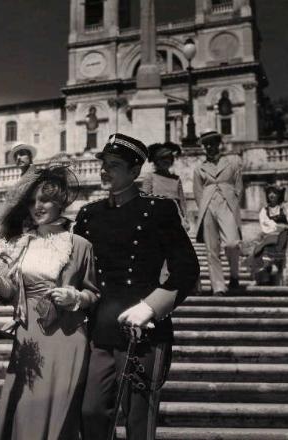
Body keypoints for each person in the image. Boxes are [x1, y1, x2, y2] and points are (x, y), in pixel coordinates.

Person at [77, 133, 200, 440]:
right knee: (90, 412)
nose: (105, 171)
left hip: (144, 332)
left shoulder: (159, 210)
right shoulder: (88, 214)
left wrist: (150, 307)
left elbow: (187, 270)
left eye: (114, 165)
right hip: (101, 328)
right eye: (104, 164)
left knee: (138, 419)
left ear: (134, 172)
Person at [0, 166, 99, 440]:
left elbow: (93, 294)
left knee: (60, 410)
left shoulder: (79, 244)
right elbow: (13, 293)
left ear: (60, 201)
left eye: (45, 200)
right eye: (32, 201)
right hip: (28, 335)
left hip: (67, 335)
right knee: (25, 409)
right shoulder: (22, 244)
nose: (38, 206)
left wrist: (75, 297)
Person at [193, 130, 243, 295]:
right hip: (208, 206)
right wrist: (203, 208)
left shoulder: (232, 162)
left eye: (212, 143)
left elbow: (238, 186)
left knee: (232, 243)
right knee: (211, 249)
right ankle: (218, 286)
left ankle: (234, 276)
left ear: (218, 144)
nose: (209, 147)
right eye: (206, 144)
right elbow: (198, 192)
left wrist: (234, 202)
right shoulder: (200, 168)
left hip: (227, 204)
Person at [247, 184, 288, 285]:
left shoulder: (284, 208)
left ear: (279, 195)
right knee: (261, 247)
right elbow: (264, 223)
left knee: (279, 238)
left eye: (274, 193)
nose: (271, 195)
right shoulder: (264, 210)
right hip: (269, 233)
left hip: (282, 234)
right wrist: (274, 227)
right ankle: (264, 274)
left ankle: (274, 266)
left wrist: (285, 227)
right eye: (269, 193)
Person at [142, 141, 189, 228]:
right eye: (163, 158)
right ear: (156, 161)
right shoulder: (150, 177)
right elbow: (144, 200)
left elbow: (182, 202)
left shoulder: (176, 179)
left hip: (175, 217)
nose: (166, 161)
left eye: (169, 158)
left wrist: (185, 219)